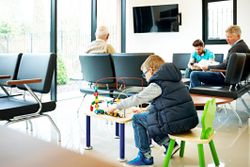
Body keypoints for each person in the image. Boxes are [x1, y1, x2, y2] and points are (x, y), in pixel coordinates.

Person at [107, 55, 198, 166]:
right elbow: (166, 104)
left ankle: (145, 156)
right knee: (149, 118)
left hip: (176, 124)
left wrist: (117, 106)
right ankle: (169, 145)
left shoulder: (158, 83)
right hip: (188, 121)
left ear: (150, 70)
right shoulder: (174, 80)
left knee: (137, 119)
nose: (145, 77)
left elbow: (138, 98)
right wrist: (145, 109)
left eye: (144, 73)